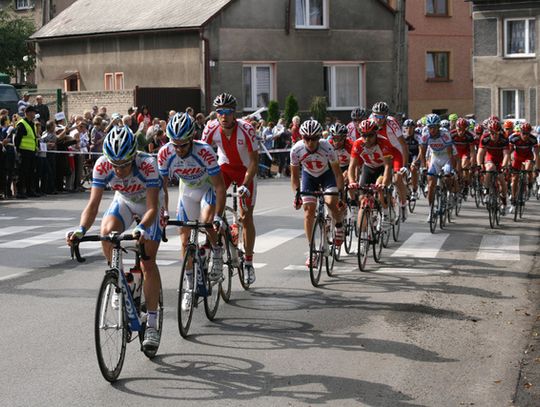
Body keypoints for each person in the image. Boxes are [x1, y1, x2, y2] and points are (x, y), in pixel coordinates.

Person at [67, 125, 164, 351]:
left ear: (134, 157)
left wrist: (141, 228)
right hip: (125, 201)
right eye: (115, 165)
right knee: (106, 233)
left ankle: (151, 322)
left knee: (148, 262)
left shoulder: (148, 165)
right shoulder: (102, 165)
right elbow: (93, 206)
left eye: (124, 165)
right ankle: (120, 280)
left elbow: (151, 208)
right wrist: (81, 229)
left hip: (148, 207)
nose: (118, 171)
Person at [157, 112, 226, 310]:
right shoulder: (165, 152)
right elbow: (161, 188)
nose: (178, 149)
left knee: (206, 223)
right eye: (174, 144)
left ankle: (218, 254)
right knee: (185, 240)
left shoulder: (204, 151)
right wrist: (164, 212)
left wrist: (219, 216)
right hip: (186, 191)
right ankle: (189, 287)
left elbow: (220, 187)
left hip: (207, 189)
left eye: (183, 145)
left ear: (191, 138)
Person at [202, 93, 259, 284]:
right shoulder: (210, 128)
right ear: (216, 114)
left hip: (245, 171)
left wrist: (244, 184)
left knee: (245, 216)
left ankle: (249, 262)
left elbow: (253, 161)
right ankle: (219, 247)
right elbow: (203, 155)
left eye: (227, 112)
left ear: (234, 113)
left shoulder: (247, 129)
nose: (224, 116)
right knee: (209, 210)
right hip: (224, 168)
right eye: (220, 112)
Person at [290, 119, 344, 267]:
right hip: (309, 177)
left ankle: (339, 225)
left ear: (319, 137)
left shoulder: (328, 148)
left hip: (327, 176)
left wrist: (340, 194)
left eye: (314, 138)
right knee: (308, 211)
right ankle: (312, 251)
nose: (310, 142)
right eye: (306, 138)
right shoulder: (296, 150)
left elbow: (338, 174)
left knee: (331, 203)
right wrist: (296, 195)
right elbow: (294, 176)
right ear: (302, 138)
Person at [347, 118, 394, 238]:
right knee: (363, 197)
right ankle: (363, 234)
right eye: (364, 135)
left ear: (376, 134)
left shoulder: (384, 143)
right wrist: (352, 181)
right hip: (368, 168)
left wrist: (384, 184)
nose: (367, 139)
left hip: (382, 168)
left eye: (370, 135)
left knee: (380, 187)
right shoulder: (357, 144)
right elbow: (351, 166)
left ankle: (386, 214)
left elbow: (388, 166)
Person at [371, 101, 409, 220]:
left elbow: (403, 145)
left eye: (381, 116)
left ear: (386, 116)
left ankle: (403, 205)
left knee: (397, 179)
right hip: (382, 153)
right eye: (376, 116)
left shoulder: (392, 123)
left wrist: (405, 165)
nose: (378, 119)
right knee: (378, 182)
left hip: (395, 151)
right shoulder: (371, 122)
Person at [419, 113, 456, 222]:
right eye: (430, 127)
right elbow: (423, 152)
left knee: (447, 175)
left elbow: (450, 153)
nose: (432, 130)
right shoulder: (425, 135)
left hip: (445, 157)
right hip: (435, 157)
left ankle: (449, 194)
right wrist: (423, 166)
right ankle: (431, 210)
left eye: (434, 127)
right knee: (431, 185)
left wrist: (451, 168)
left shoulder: (445, 134)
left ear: (438, 127)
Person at [477, 118, 510, 213]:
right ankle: (486, 192)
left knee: (502, 180)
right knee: (489, 168)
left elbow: (506, 154)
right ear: (489, 131)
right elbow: (480, 153)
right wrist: (480, 165)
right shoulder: (485, 138)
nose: (494, 135)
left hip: (500, 160)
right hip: (490, 158)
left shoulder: (504, 139)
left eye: (496, 133)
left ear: (500, 132)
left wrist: (504, 166)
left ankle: (504, 202)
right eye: (492, 133)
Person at [508, 122, 539, 213]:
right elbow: (508, 153)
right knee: (514, 180)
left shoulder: (533, 139)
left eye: (528, 133)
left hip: (528, 157)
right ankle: (513, 200)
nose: (525, 135)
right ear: (520, 132)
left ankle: (529, 184)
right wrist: (509, 163)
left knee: (529, 166)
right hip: (517, 158)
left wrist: (537, 167)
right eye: (523, 133)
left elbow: (537, 155)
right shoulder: (514, 138)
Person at [14, 106, 39, 198]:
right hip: (23, 152)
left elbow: (33, 137)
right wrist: (18, 151)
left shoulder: (32, 124)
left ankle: (29, 191)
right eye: (33, 112)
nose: (34, 114)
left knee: (31, 172)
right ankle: (20, 192)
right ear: (28, 113)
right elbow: (17, 139)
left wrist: (36, 147)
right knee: (22, 172)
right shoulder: (22, 124)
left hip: (31, 151)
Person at [450, 118, 476, 196]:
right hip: (455, 153)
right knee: (453, 169)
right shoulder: (451, 134)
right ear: (456, 127)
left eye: (463, 129)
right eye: (459, 129)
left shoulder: (469, 136)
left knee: (464, 165)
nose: (461, 132)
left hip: (465, 153)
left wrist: (472, 163)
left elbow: (472, 151)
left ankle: (465, 184)